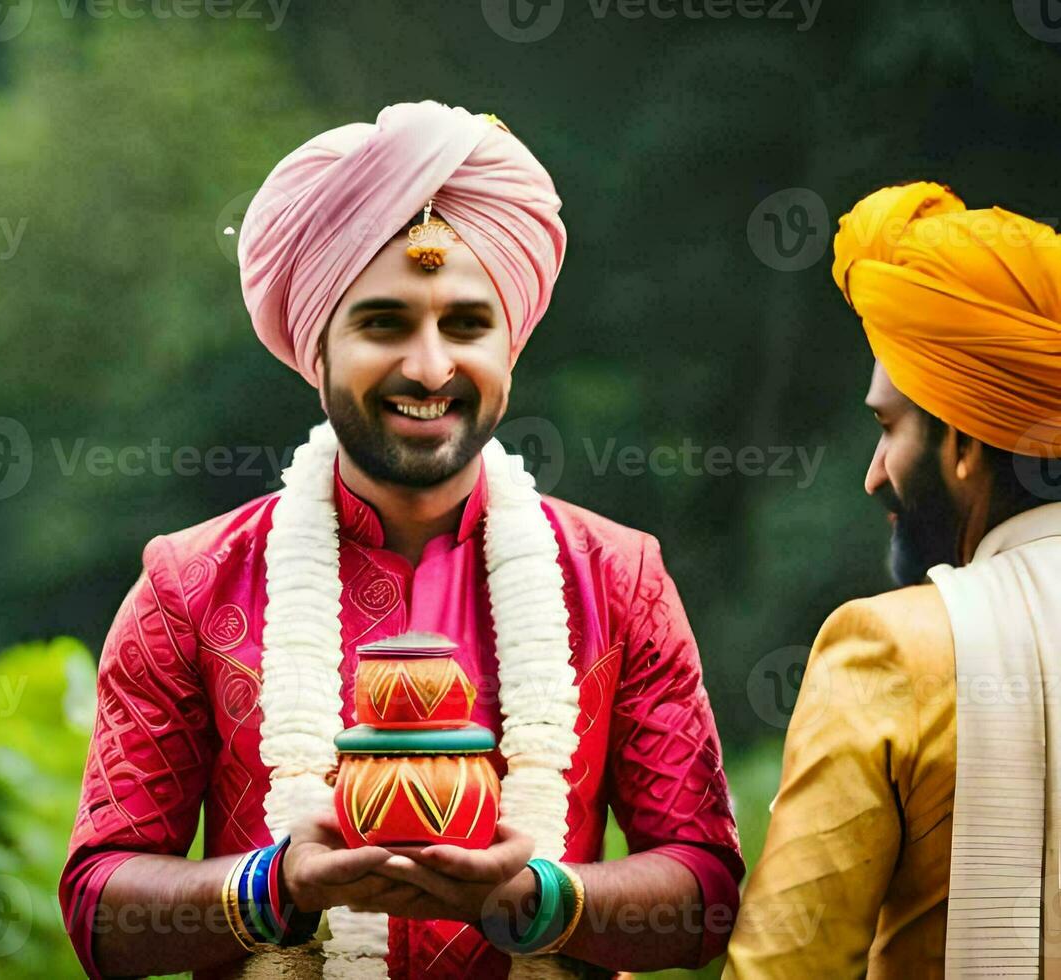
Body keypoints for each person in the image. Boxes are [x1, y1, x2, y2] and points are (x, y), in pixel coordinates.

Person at [60, 100, 743, 980]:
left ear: (512, 344)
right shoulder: (189, 588)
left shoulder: (617, 580)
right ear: (317, 349)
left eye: (465, 325)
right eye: (384, 324)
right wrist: (274, 888)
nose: (429, 368)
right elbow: (98, 910)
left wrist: (539, 901)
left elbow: (707, 893)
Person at [724, 181, 1061, 979]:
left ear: (967, 444)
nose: (875, 475)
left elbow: (784, 968)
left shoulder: (888, 648)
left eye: (889, 427)